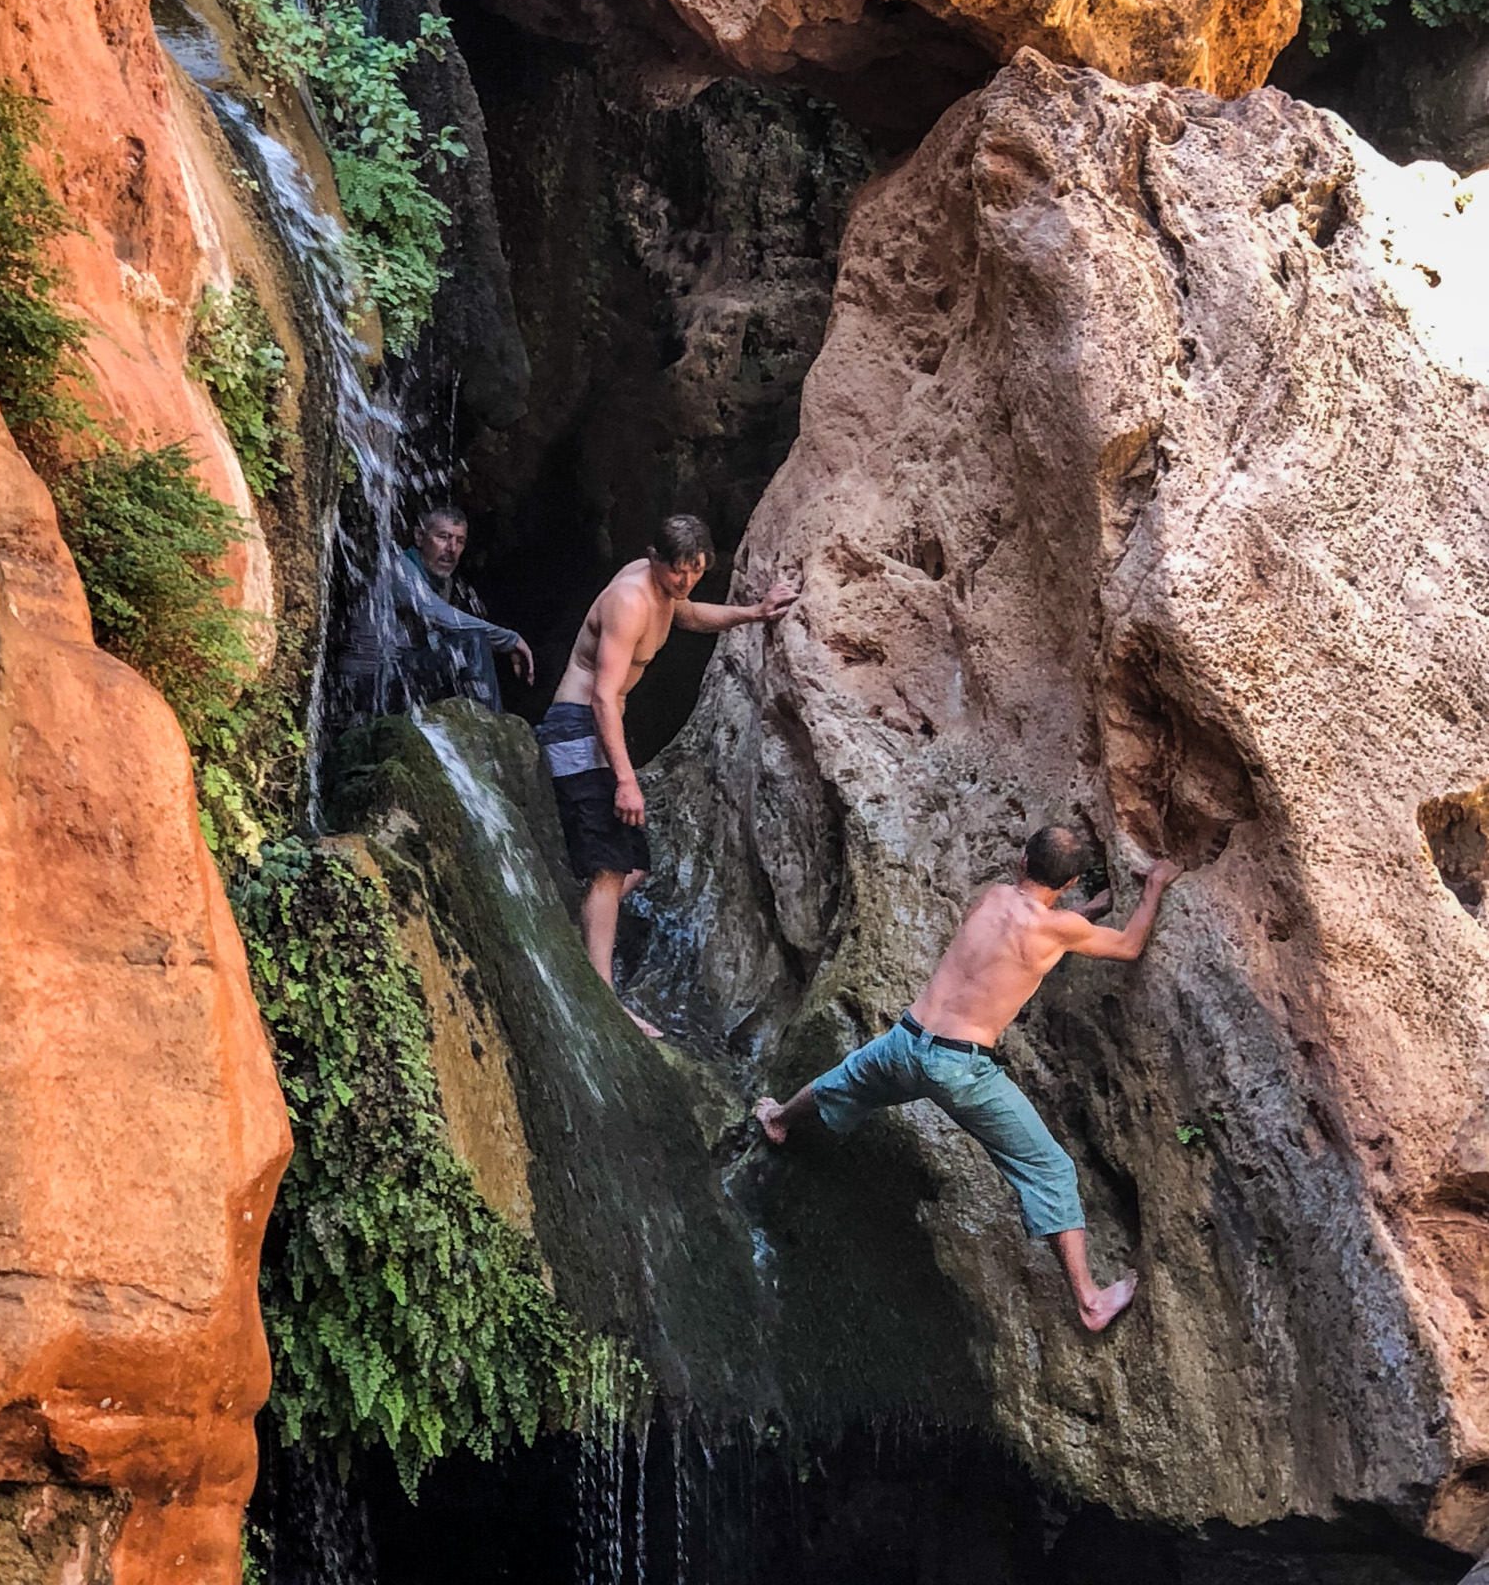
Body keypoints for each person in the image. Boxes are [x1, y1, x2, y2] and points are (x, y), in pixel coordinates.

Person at [753, 827, 1183, 1332]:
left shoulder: (996, 897)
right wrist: (1153, 884)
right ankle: (1089, 1299)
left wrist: (1079, 915)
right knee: (1050, 1170)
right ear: (1067, 884)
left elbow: (1018, 940)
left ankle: (779, 1118)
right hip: (959, 1066)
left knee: (845, 1078)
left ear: (1021, 861)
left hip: (907, 1040)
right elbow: (1129, 945)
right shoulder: (1058, 928)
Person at [537, 513, 797, 1038]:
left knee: (635, 866)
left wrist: (754, 612)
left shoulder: (667, 592)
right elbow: (603, 696)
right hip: (577, 727)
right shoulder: (631, 600)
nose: (685, 583)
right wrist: (627, 780)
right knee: (611, 867)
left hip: (597, 729)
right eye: (678, 572)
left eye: (696, 572)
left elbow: (689, 614)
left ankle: (578, 929)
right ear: (654, 558)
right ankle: (602, 999)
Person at [338, 504, 534, 719]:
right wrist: (509, 639)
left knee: (464, 648)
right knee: (471, 642)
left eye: (460, 541)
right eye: (443, 537)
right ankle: (492, 729)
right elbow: (439, 615)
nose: (451, 548)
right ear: (420, 537)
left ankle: (483, 727)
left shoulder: (443, 584)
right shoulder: (397, 567)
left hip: (397, 680)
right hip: (365, 687)